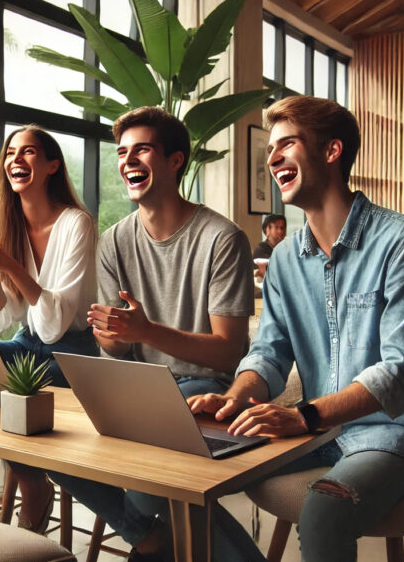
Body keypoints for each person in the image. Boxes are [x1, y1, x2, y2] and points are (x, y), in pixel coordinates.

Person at [188, 95, 404, 562]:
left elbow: (401, 369)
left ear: (331, 151)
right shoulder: (285, 260)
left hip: (398, 437)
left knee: (324, 510)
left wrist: (302, 415)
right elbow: (268, 353)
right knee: (185, 474)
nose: (272, 158)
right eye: (271, 149)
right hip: (317, 434)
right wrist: (236, 398)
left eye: (287, 144)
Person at [49, 106, 256, 559]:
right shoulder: (113, 241)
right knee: (47, 441)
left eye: (141, 149)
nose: (127, 161)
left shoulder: (222, 238)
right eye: (122, 152)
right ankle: (148, 538)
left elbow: (227, 353)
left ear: (175, 160)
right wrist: (113, 334)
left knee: (146, 478)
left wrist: (145, 329)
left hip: (203, 387)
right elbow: (116, 348)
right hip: (137, 387)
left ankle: (146, 540)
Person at [0, 126, 98, 530]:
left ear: (52, 166)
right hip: (29, 342)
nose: (16, 159)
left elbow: (54, 325)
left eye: (28, 152)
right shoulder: (4, 221)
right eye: (10, 152)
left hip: (75, 352)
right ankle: (29, 481)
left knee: (10, 385)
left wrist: (9, 265)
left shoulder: (76, 224)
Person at [252, 213, 286, 279]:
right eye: (276, 227)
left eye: (282, 227)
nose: (281, 231)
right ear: (267, 230)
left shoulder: (285, 247)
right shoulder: (261, 249)